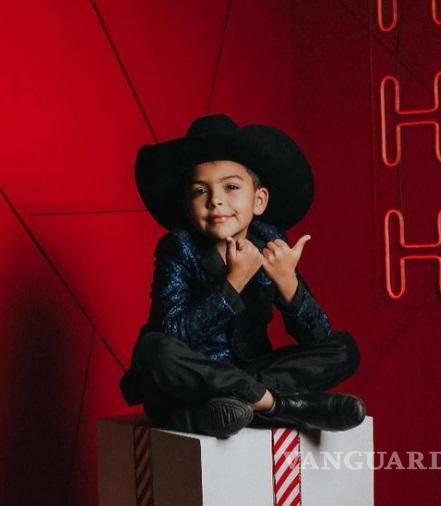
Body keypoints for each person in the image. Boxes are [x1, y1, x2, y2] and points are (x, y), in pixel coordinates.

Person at [120, 113, 365, 438]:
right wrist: (231, 284)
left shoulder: (269, 241)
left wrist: (289, 285)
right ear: (187, 204)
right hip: (194, 375)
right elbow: (173, 335)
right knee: (153, 350)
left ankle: (228, 409)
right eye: (199, 191)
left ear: (259, 200)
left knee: (343, 349)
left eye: (231, 187)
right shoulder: (179, 247)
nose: (216, 200)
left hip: (251, 370)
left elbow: (318, 339)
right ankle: (288, 407)